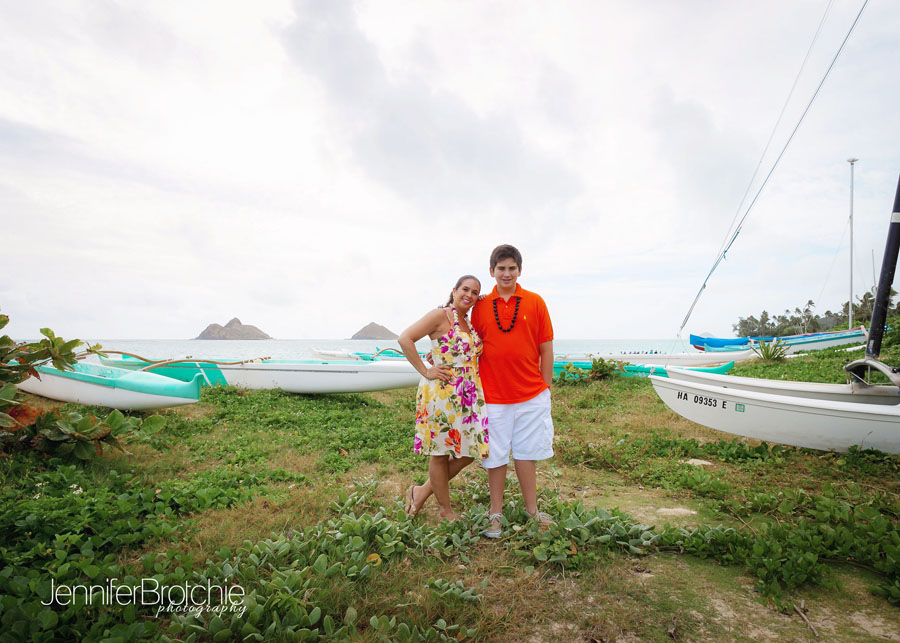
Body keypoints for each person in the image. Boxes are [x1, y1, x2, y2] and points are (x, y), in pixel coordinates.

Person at [470, 244, 555, 538]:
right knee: (495, 456)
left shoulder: (535, 302)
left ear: (520, 270)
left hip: (531, 395)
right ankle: (495, 514)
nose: (506, 274)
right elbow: (466, 341)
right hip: (493, 396)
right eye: (501, 268)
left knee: (526, 454)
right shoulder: (481, 306)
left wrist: (545, 386)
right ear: (491, 271)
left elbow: (546, 347)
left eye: (512, 268)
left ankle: (532, 512)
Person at [398, 275, 489, 520]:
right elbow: (405, 338)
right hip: (442, 392)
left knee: (469, 452)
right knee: (440, 452)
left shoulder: (468, 322)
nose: (469, 295)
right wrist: (426, 370)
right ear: (454, 290)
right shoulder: (440, 315)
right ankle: (445, 511)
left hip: (468, 395)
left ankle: (421, 491)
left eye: (475, 292)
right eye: (465, 289)